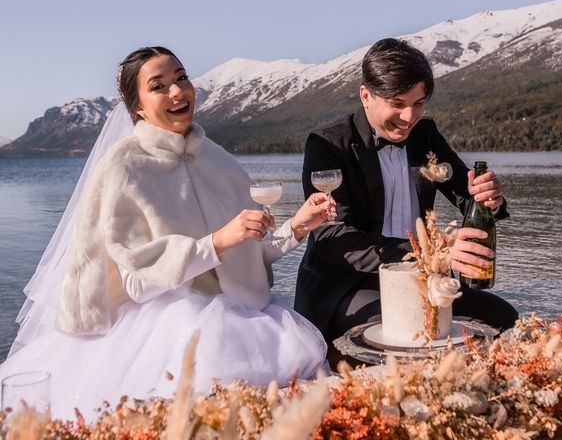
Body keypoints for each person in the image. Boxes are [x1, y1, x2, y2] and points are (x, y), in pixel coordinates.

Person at [0, 46, 331, 421]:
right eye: (158, 86)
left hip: (246, 320)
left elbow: (247, 253)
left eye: (181, 78)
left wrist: (298, 226)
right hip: (167, 332)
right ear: (137, 106)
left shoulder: (218, 159)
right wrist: (219, 240)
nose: (177, 92)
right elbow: (138, 282)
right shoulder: (123, 167)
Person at [295, 38, 518, 344]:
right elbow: (333, 239)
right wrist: (431, 254)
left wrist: (490, 199)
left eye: (418, 104)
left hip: (425, 281)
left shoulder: (425, 136)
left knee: (506, 318)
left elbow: (468, 198)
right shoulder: (327, 145)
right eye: (397, 104)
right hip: (348, 285)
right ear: (365, 95)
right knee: (409, 330)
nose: (409, 117)